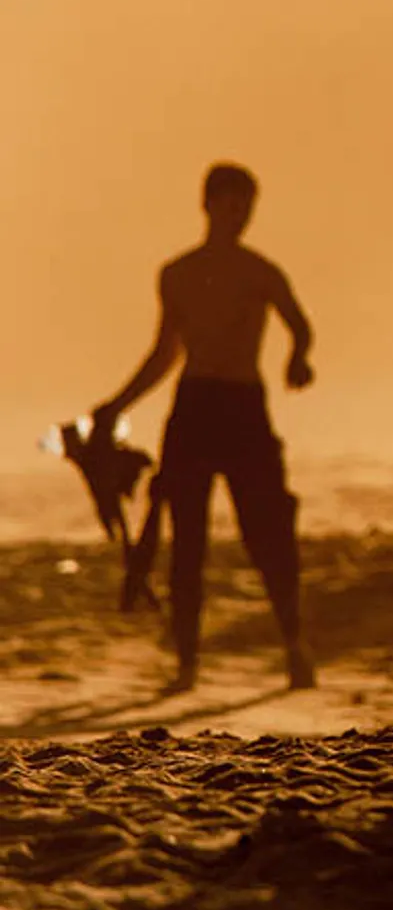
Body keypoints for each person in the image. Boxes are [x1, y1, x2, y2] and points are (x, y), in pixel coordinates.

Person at [89, 163, 317, 692]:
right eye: (231, 205)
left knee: (266, 529)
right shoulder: (177, 274)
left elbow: (300, 324)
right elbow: (165, 353)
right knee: (186, 537)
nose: (239, 216)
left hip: (244, 407)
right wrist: (118, 404)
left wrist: (299, 358)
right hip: (193, 407)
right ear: (208, 204)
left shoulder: (261, 272)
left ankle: (294, 644)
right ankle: (187, 664)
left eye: (247, 208)